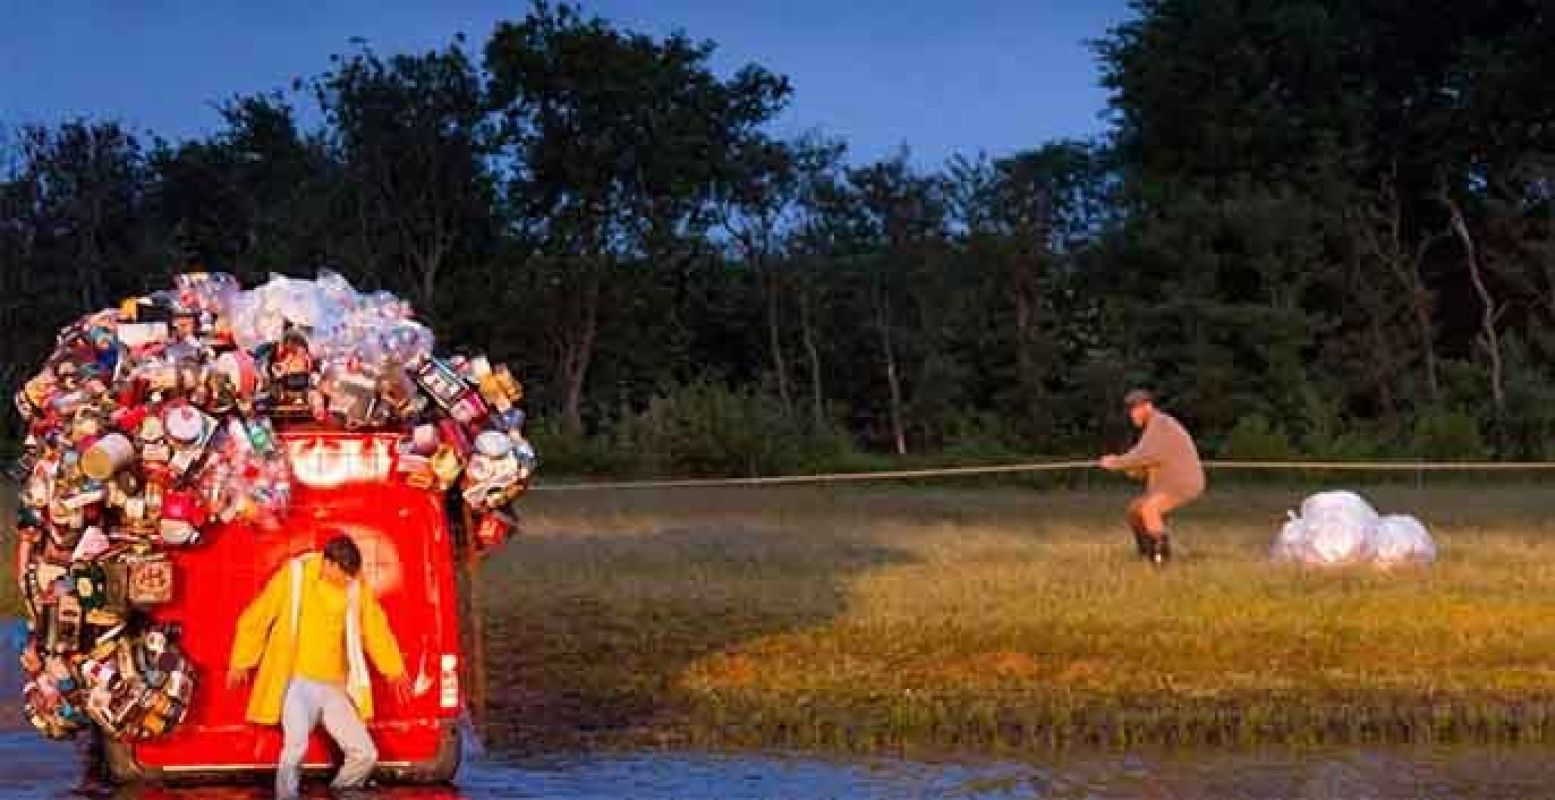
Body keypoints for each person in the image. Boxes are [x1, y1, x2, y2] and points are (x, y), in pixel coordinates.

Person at [227, 535, 412, 799]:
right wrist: (242, 661)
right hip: (299, 685)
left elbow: (375, 629)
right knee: (294, 751)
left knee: (365, 753)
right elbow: (258, 617)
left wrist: (393, 669)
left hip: (334, 687)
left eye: (352, 575)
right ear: (329, 564)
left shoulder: (354, 586)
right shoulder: (294, 577)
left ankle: (340, 793)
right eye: (344, 574)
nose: (349, 580)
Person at [1098, 390, 1205, 564]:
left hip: (1182, 482)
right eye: (1130, 411)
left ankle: (1160, 561)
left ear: (1148, 406)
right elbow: (1149, 460)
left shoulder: (1160, 424)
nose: (1132, 415)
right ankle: (1146, 553)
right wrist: (1133, 469)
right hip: (1168, 483)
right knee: (1135, 511)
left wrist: (1115, 462)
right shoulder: (1154, 428)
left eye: (1135, 410)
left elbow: (1144, 454)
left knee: (1150, 509)